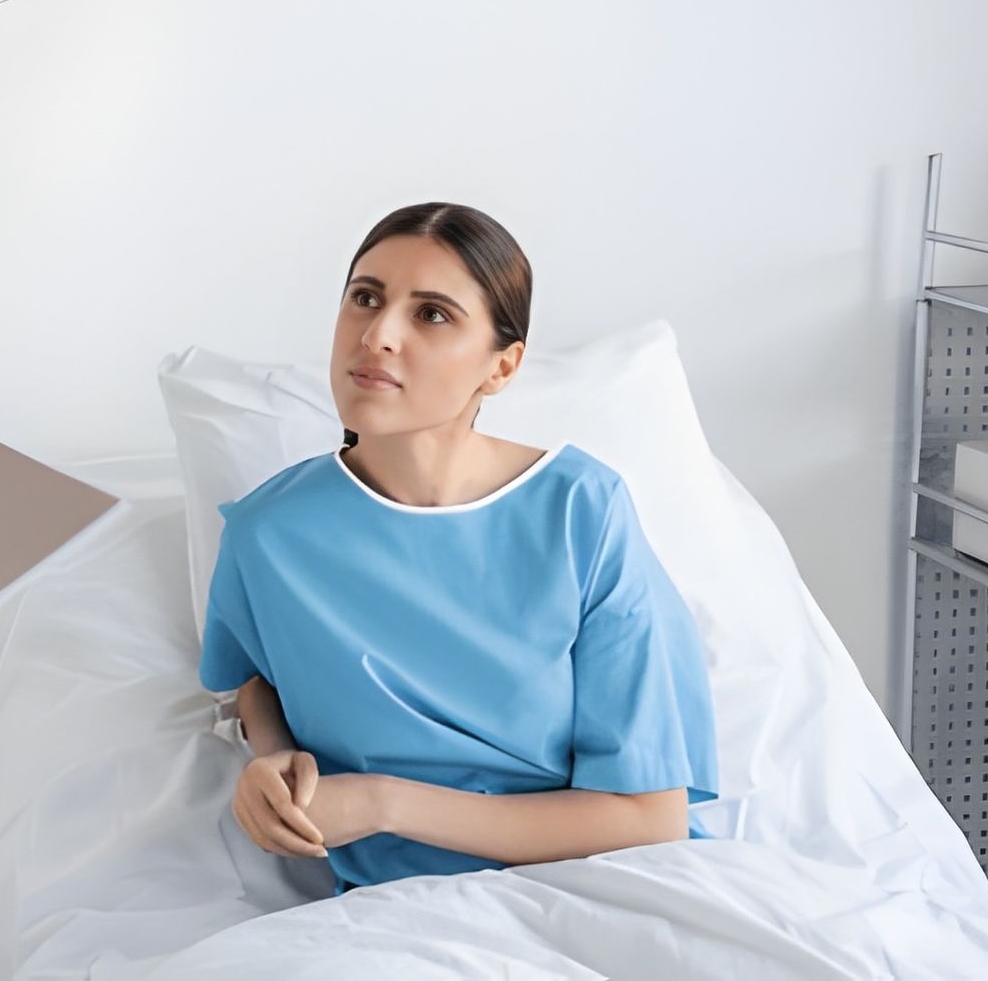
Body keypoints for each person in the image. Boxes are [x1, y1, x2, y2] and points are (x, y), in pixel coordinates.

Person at [200, 202, 717, 892]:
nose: (378, 334)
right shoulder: (268, 532)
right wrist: (272, 764)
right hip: (393, 912)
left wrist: (381, 801)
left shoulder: (580, 512)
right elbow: (255, 680)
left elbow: (649, 817)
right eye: (365, 297)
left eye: (432, 313)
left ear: (501, 367)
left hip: (606, 883)